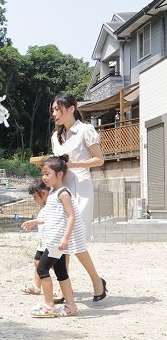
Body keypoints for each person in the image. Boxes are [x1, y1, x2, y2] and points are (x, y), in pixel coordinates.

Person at [50, 93, 108, 302]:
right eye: (53, 110)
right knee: (60, 240)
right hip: (61, 189)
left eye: (58, 109)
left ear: (72, 108)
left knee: (75, 239)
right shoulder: (55, 137)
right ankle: (64, 289)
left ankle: (97, 282)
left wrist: (73, 165)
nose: (55, 113)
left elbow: (99, 160)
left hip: (81, 188)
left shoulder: (85, 130)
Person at [28, 155, 85, 317]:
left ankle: (49, 306)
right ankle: (71, 306)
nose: (44, 178)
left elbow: (71, 216)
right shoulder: (53, 193)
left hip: (56, 241)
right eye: (43, 174)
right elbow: (51, 217)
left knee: (42, 268)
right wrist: (35, 222)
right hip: (53, 241)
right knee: (61, 274)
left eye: (47, 174)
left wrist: (65, 238)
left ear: (59, 174)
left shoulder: (63, 193)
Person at [20, 178, 50, 296]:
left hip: (52, 242)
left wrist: (34, 222)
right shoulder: (45, 205)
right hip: (43, 242)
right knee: (37, 261)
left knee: (55, 268)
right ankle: (37, 287)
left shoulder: (53, 204)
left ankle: (62, 291)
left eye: (35, 196)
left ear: (43, 193)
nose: (34, 199)